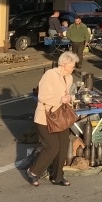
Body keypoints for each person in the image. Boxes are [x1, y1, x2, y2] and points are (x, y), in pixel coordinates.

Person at [26, 50, 79, 186]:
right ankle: (33, 172)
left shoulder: (69, 78)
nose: (74, 68)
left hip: (60, 117)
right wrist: (60, 99)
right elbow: (42, 96)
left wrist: (70, 98)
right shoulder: (50, 75)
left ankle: (57, 176)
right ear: (64, 64)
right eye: (72, 65)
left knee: (63, 146)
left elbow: (66, 96)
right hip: (45, 117)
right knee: (52, 146)